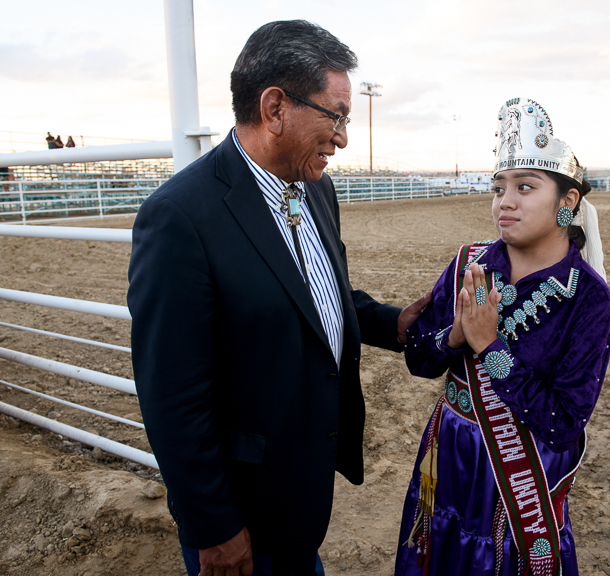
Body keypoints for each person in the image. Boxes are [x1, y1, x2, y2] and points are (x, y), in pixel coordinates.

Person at [127, 20, 429, 576]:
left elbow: (317, 295)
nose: (342, 137)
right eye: (336, 115)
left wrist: (396, 324)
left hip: (301, 498)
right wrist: (213, 527)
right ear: (274, 108)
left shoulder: (316, 186)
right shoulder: (179, 218)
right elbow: (171, 396)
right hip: (240, 518)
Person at [395, 97, 610, 576]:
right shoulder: (469, 263)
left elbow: (562, 423)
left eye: (525, 187)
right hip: (450, 455)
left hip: (518, 476)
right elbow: (418, 360)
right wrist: (453, 335)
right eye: (499, 188)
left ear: (568, 202)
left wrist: (490, 349)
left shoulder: (588, 299)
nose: (505, 201)